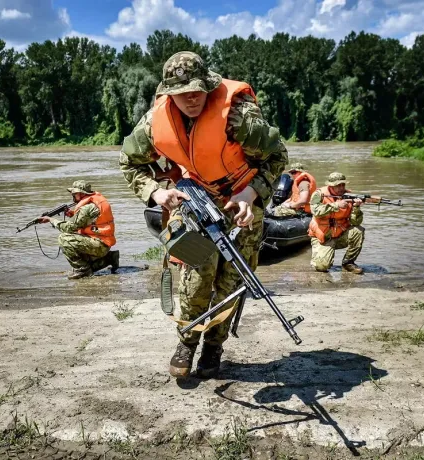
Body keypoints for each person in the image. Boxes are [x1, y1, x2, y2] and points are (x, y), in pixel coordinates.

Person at [119, 51, 288, 379]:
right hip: (194, 198)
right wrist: (156, 192)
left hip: (242, 199)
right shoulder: (155, 122)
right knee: (195, 278)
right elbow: (129, 161)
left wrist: (249, 193)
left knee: (233, 281)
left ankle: (214, 345)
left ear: (208, 85)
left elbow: (277, 155)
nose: (192, 98)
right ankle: (187, 341)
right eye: (182, 93)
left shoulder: (238, 114)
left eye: (197, 89)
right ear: (169, 93)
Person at [38, 180, 119, 280]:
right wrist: (72, 214)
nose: (73, 196)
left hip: (99, 245)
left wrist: (51, 220)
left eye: (75, 194)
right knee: (84, 259)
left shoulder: (86, 207)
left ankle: (83, 270)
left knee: (64, 238)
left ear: (81, 194)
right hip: (103, 243)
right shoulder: (95, 202)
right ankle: (109, 258)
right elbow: (89, 221)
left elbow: (70, 228)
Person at [307, 172, 365, 274]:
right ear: (330, 185)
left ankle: (348, 263)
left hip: (339, 235)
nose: (341, 188)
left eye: (343, 185)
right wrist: (336, 205)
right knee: (322, 267)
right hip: (323, 237)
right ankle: (319, 256)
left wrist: (356, 208)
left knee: (358, 230)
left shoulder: (348, 197)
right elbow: (315, 211)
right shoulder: (318, 194)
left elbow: (355, 222)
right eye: (338, 185)